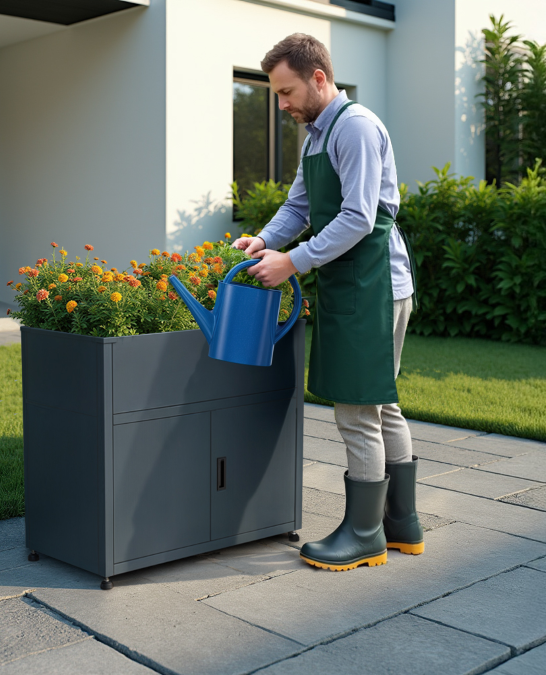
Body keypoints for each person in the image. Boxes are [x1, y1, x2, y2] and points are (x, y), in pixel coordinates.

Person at [232, 33, 424, 572]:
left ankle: (365, 534)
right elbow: (300, 204)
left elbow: (360, 216)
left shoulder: (356, 128)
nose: (282, 104)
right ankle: (402, 524)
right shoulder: (316, 134)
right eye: (277, 94)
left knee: (357, 407)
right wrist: (267, 241)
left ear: (319, 78)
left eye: (287, 92)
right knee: (380, 404)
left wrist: (293, 262)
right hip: (351, 283)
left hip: (375, 286)